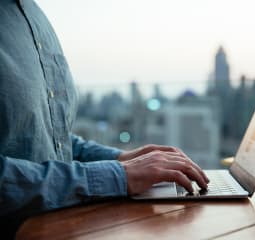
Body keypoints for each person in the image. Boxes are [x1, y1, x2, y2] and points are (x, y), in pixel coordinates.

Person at [0, 0, 208, 238]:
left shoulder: (34, 16)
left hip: (67, 226)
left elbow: (44, 136)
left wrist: (121, 159)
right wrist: (117, 175)